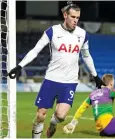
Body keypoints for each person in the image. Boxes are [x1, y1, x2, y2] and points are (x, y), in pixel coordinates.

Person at [8, 1, 104, 138]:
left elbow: (86, 56)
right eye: (73, 17)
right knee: (40, 115)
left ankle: (53, 123)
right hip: (51, 80)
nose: (75, 20)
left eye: (78, 18)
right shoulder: (52, 31)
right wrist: (20, 66)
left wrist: (95, 76)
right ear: (65, 15)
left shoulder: (82, 35)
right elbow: (35, 50)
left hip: (69, 82)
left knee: (61, 116)